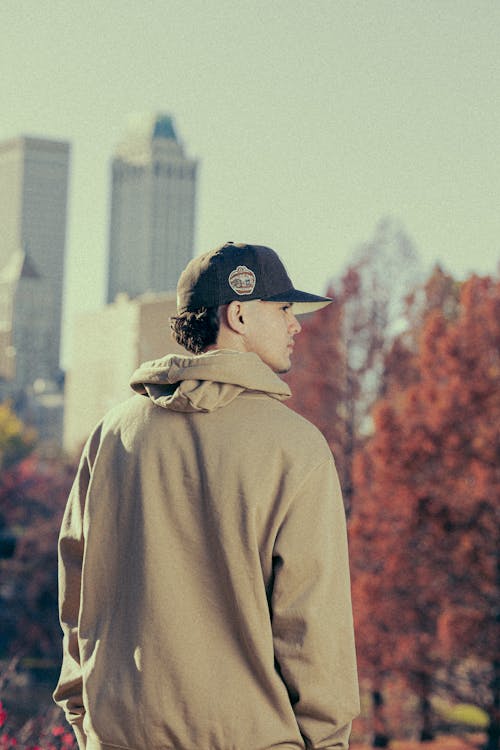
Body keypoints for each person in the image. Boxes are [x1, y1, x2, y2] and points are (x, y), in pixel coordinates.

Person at [54, 242, 359, 750]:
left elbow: (76, 595)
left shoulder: (113, 434)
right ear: (238, 313)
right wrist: (326, 742)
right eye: (283, 308)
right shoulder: (295, 447)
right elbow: (311, 623)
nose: (296, 324)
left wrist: (85, 719)